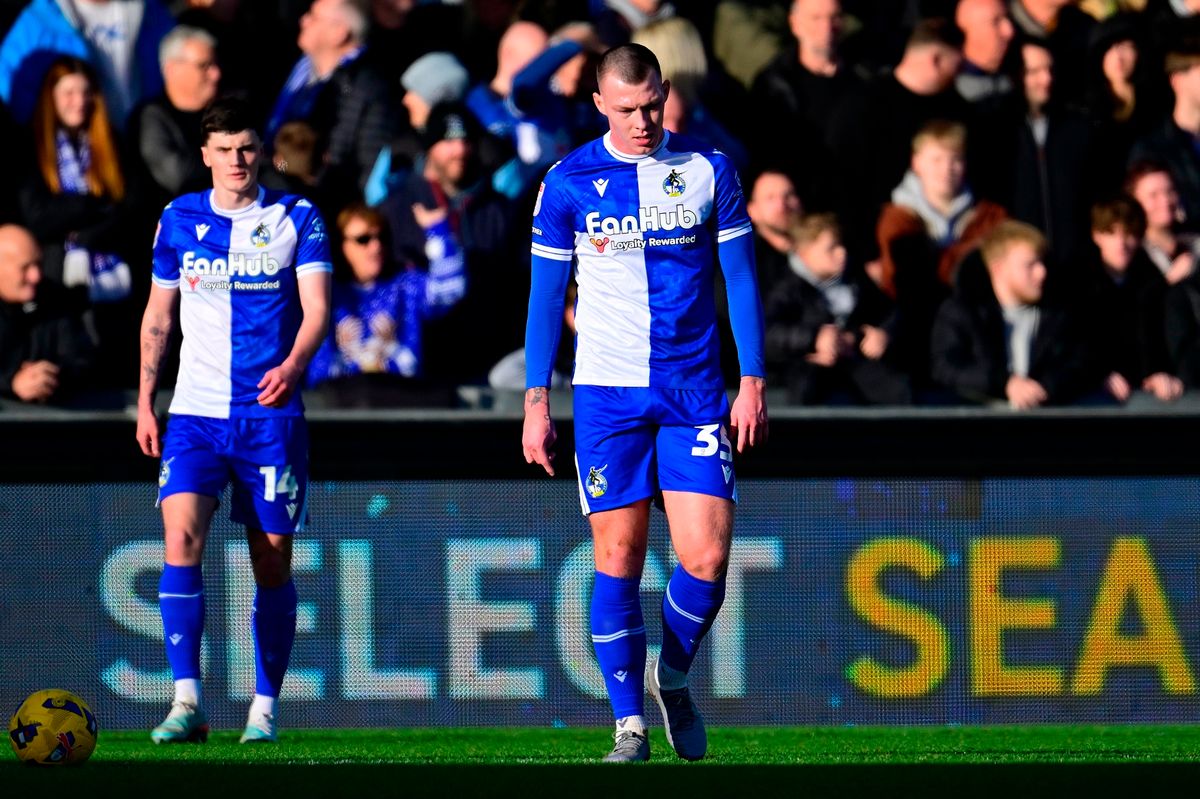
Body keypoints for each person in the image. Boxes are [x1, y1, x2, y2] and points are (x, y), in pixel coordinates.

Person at [522, 44, 767, 763]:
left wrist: (751, 380)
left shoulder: (706, 169)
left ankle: (675, 676)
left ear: (666, 93)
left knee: (708, 557)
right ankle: (628, 723)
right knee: (619, 556)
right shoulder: (568, 182)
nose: (642, 121)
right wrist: (538, 399)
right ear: (599, 103)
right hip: (607, 396)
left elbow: (741, 279)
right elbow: (543, 300)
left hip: (693, 391)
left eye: (652, 104)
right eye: (626, 108)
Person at [135, 96, 332, 745]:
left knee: (271, 560)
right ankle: (186, 698)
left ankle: (264, 706)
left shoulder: (295, 216)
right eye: (223, 150)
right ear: (205, 156)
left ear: (262, 150)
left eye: (246, 148)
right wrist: (145, 398)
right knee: (180, 539)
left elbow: (317, 308)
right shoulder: (178, 218)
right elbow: (159, 315)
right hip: (193, 411)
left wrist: (295, 364)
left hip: (269, 415)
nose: (236, 161)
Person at [306, 201, 464, 403]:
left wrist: (438, 230)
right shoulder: (324, 293)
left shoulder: (405, 285)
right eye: (363, 239)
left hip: (400, 405)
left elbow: (451, 290)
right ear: (340, 246)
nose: (376, 246)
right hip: (340, 410)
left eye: (381, 237)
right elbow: (317, 375)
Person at [930, 220, 1093, 407]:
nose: (1042, 272)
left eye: (1042, 262)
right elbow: (946, 367)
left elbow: (1081, 362)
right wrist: (1004, 383)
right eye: (1030, 265)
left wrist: (1045, 387)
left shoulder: (1061, 315)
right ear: (998, 268)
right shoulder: (961, 312)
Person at [764, 213, 910, 405]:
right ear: (804, 252)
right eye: (831, 248)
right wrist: (814, 339)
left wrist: (881, 334)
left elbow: (890, 313)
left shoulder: (856, 280)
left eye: (841, 245)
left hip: (861, 372)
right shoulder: (786, 288)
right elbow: (767, 333)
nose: (842, 253)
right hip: (807, 379)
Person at [0, 0, 175, 127]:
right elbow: (9, 85)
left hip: (143, 141)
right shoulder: (39, 19)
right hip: (75, 151)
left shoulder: (151, 11)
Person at [1080, 196, 1182, 403]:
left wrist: (1159, 373)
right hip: (1091, 398)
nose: (1121, 244)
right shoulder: (1077, 283)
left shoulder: (1153, 284)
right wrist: (1097, 374)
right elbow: (1072, 343)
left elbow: (1164, 339)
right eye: (1111, 233)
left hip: (1145, 398)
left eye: (1129, 234)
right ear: (1096, 236)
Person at [130, 26, 222, 213]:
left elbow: (272, 161)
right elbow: (178, 176)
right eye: (204, 65)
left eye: (215, 64)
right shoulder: (150, 117)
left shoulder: (225, 113)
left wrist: (282, 165)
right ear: (172, 69)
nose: (216, 74)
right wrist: (236, 164)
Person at [0, 223, 96, 403]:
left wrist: (48, 377)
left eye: (38, 264)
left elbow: (80, 359)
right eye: (25, 267)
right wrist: (11, 383)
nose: (35, 275)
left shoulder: (54, 302)